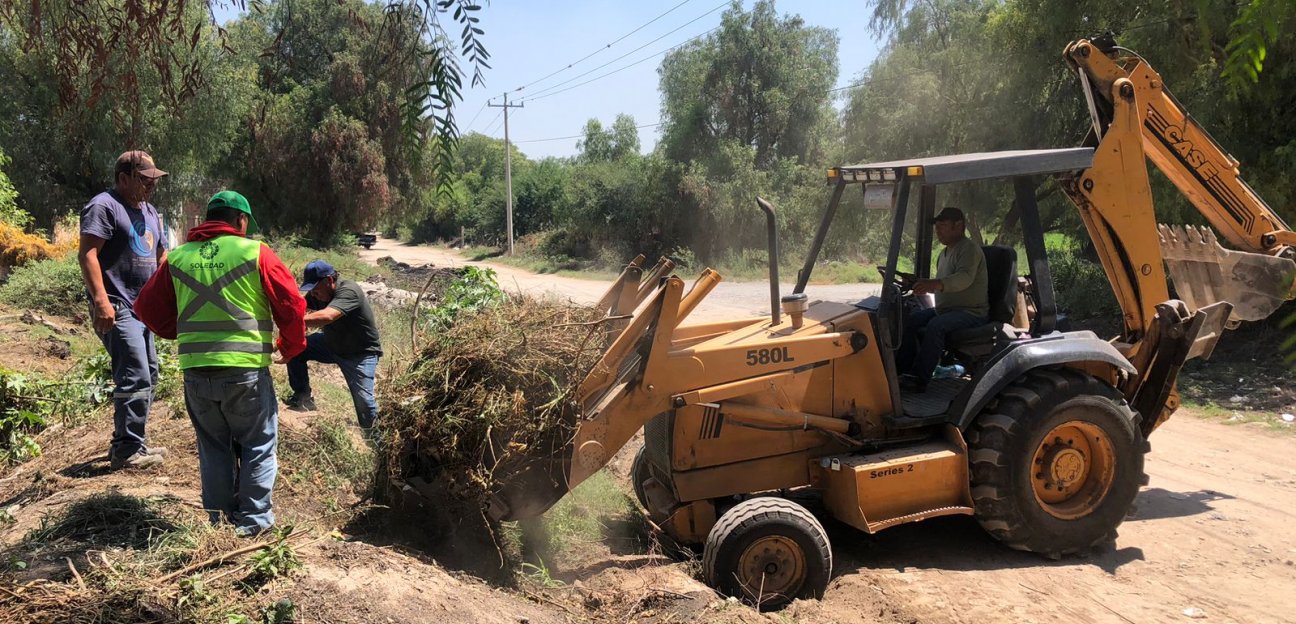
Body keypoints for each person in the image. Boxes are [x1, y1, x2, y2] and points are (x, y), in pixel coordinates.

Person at [134, 191, 306, 537]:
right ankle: (254, 523)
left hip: (196, 372)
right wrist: (289, 347)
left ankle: (220, 524)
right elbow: (292, 306)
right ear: (240, 221)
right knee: (257, 443)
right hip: (245, 373)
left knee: (214, 447)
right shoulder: (255, 252)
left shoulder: (178, 257)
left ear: (208, 219)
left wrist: (179, 332)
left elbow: (146, 309)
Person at [78, 150, 170, 470]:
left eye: (154, 180)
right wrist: (100, 301)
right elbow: (88, 254)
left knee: (151, 374)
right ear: (123, 179)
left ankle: (133, 441)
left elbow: (161, 258)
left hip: (143, 308)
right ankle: (127, 450)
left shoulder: (151, 212)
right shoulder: (104, 206)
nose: (151, 186)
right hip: (116, 304)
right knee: (135, 373)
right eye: (145, 180)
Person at [898, 207, 989, 392]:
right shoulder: (944, 253)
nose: (938, 231)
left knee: (936, 326)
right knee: (911, 320)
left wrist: (934, 284)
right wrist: (918, 282)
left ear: (959, 226)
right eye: (937, 226)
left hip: (971, 311)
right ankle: (902, 370)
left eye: (943, 226)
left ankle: (919, 379)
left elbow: (963, 279)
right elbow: (941, 282)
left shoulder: (969, 249)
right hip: (948, 309)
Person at [284, 260, 382, 430]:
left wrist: (290, 321)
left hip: (359, 353)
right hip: (331, 344)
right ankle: (302, 397)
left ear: (329, 280)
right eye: (311, 290)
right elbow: (301, 307)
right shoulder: (319, 293)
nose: (313, 294)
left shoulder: (349, 290)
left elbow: (327, 316)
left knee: (364, 402)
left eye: (315, 289)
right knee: (297, 349)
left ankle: (375, 438)